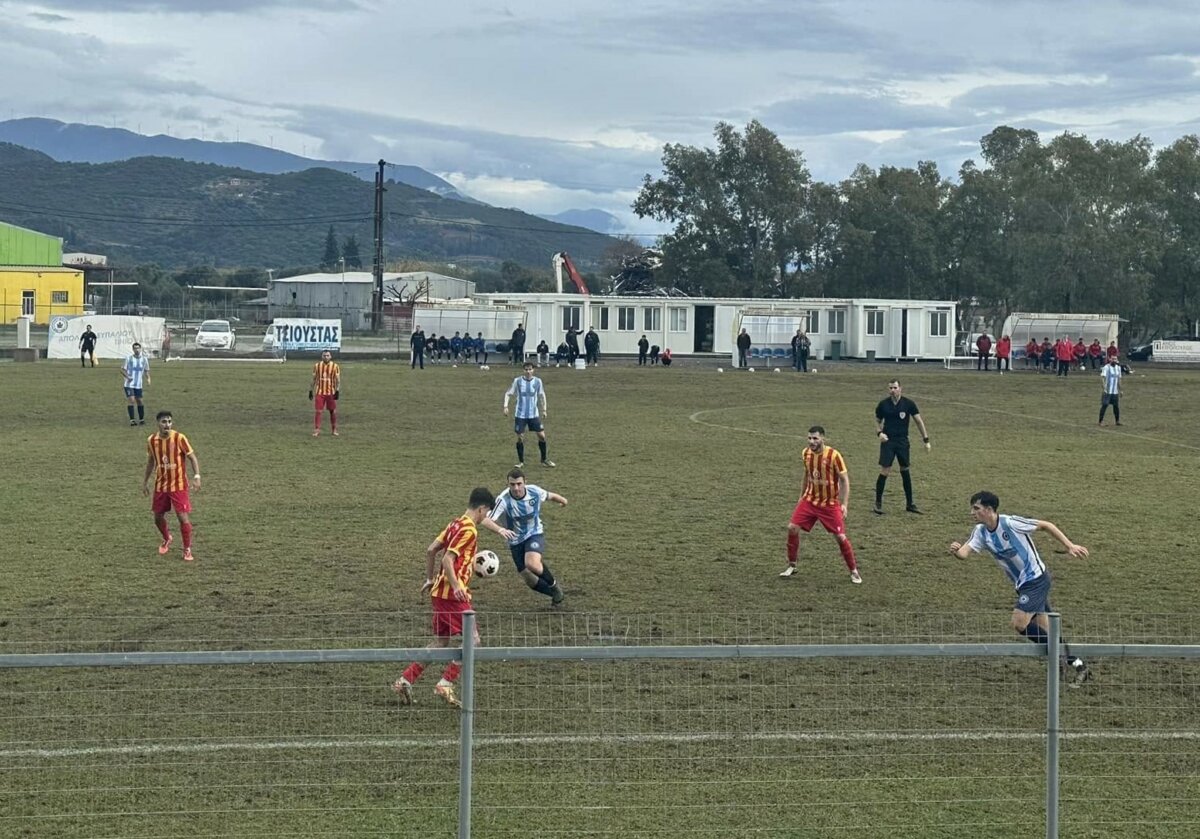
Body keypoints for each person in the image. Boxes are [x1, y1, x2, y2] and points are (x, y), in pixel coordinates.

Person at [949, 490, 1091, 687]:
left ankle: (1063, 661)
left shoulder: (1010, 523)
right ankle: (1077, 665)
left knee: (1019, 623)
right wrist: (956, 551)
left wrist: (1069, 545)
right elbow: (965, 552)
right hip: (1023, 585)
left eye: (976, 508)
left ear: (989, 510)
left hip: (1036, 579)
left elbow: (1046, 525)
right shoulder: (981, 532)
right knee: (1046, 631)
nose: (972, 512)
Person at [393, 486, 505, 708]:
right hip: (452, 596)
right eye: (487, 513)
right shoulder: (469, 530)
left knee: (441, 641)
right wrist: (456, 586)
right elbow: (447, 560)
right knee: (474, 641)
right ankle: (445, 683)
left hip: (439, 593)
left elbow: (431, 550)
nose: (485, 517)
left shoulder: (455, 523)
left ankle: (405, 679)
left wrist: (428, 579)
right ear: (482, 509)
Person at [779, 425, 861, 583]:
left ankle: (854, 570)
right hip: (810, 500)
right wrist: (801, 496)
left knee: (840, 537)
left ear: (823, 438)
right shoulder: (806, 453)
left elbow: (845, 480)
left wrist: (844, 504)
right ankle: (792, 565)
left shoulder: (834, 455)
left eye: (815, 438)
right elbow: (806, 475)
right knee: (792, 528)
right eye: (809, 438)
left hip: (829, 504)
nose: (812, 441)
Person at [483, 468, 567, 605]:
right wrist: (499, 529)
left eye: (519, 484)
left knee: (532, 563)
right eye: (512, 484)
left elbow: (549, 495)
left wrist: (563, 500)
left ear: (525, 482)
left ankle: (554, 586)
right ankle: (555, 594)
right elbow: (485, 519)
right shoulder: (502, 500)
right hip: (515, 542)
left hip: (534, 533)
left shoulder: (534, 491)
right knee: (529, 578)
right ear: (508, 484)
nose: (516, 488)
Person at [141, 410, 200, 562]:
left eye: (169, 421)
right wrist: (145, 481)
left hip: (178, 485)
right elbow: (151, 462)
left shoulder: (179, 438)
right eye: (164, 422)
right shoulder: (152, 440)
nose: (167, 425)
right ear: (158, 423)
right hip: (161, 485)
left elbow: (192, 457)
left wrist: (197, 476)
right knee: (157, 517)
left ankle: (187, 549)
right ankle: (167, 538)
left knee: (182, 517)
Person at [873, 380, 931, 515]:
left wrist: (926, 439)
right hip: (888, 442)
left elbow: (918, 421)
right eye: (890, 388)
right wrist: (879, 433)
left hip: (902, 442)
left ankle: (910, 504)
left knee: (905, 470)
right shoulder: (883, 405)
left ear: (900, 389)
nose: (893, 390)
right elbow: (877, 421)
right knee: (885, 470)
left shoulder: (908, 404)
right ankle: (878, 503)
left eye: (895, 387)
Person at [504, 362, 555, 468]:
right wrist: (505, 406)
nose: (528, 371)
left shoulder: (537, 381)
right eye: (526, 369)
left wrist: (544, 410)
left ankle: (544, 459)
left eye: (530, 369)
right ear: (523, 370)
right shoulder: (517, 381)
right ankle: (521, 462)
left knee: (541, 436)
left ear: (533, 370)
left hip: (533, 414)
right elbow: (508, 393)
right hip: (520, 414)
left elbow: (542, 395)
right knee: (520, 437)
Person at [309, 349, 341, 437]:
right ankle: (317, 430)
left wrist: (337, 390)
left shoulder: (335, 366)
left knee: (332, 411)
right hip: (320, 392)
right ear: (321, 356)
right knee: (318, 411)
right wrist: (310, 391)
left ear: (330, 356)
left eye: (327, 355)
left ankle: (334, 429)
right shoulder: (317, 366)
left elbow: (338, 380)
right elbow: (314, 379)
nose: (326, 357)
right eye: (324, 355)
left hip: (331, 392)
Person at [122, 342, 151, 426]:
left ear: (140, 349)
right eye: (135, 348)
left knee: (140, 401)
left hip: (138, 385)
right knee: (131, 400)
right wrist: (128, 377)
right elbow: (122, 369)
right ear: (133, 349)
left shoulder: (144, 359)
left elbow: (146, 370)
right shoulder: (128, 358)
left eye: (138, 348)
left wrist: (148, 378)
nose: (136, 350)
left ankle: (141, 419)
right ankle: (132, 420)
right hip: (129, 384)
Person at [1099, 355, 1123, 426]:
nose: (1114, 360)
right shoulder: (1106, 367)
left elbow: (1119, 379)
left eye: (1115, 359)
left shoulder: (1118, 368)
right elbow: (1103, 378)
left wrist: (1121, 390)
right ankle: (1100, 421)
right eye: (1113, 359)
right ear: (1110, 359)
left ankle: (1117, 421)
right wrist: (1103, 387)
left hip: (1115, 392)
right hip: (1107, 391)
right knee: (1105, 405)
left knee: (1116, 406)